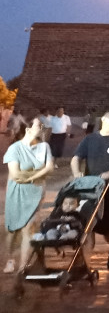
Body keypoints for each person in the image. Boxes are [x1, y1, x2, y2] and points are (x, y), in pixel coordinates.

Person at [71, 109, 109, 270]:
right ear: (104, 120)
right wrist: (77, 173)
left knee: (107, 228)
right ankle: (85, 265)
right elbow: (76, 157)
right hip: (90, 188)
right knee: (87, 225)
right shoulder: (90, 139)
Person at [4, 116, 55, 273]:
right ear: (28, 129)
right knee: (13, 230)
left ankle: (22, 267)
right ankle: (10, 258)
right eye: (39, 126)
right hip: (16, 192)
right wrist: (38, 173)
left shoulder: (44, 147)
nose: (42, 129)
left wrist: (32, 176)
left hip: (36, 192)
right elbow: (16, 175)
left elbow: (50, 169)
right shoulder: (15, 149)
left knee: (29, 227)